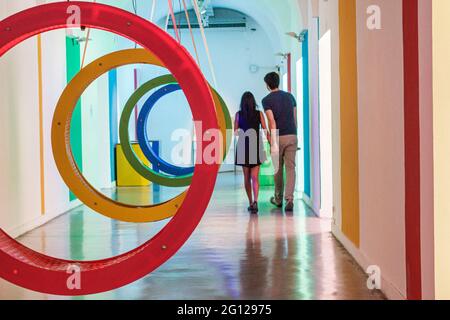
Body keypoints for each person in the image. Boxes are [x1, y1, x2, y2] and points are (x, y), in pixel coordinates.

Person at [262, 72, 298, 212]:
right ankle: (289, 198)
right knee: (291, 168)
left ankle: (278, 199)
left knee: (278, 169)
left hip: (278, 136)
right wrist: (294, 134)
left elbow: (272, 121)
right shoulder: (290, 97)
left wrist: (273, 141)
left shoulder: (266, 100)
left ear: (267, 85)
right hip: (292, 135)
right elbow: (294, 117)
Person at [235, 92, 270, 214]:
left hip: (243, 146)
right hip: (256, 146)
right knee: (255, 177)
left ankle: (250, 202)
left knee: (246, 177)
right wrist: (271, 143)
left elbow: (235, 132)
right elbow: (265, 129)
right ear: (253, 102)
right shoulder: (259, 114)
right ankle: (256, 201)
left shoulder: (238, 115)